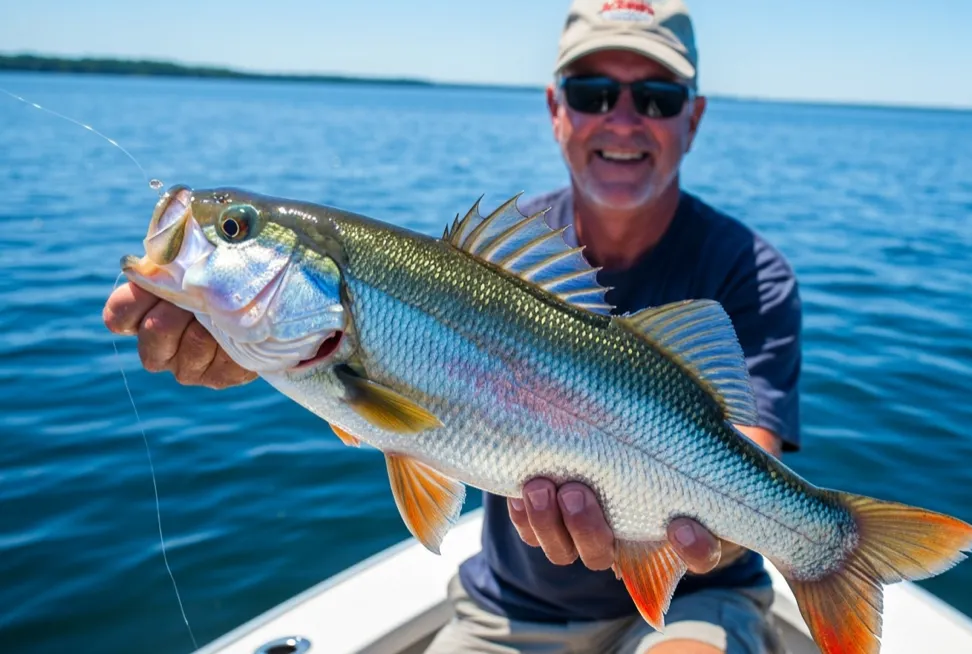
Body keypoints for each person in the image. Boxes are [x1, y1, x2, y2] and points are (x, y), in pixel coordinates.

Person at [102, 0, 802, 651]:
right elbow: (380, 414)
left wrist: (723, 535)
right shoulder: (510, 249)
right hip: (510, 608)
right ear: (556, 109)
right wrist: (241, 349)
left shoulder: (749, 270)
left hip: (696, 598)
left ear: (695, 117)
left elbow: (749, 455)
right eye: (592, 92)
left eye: (656, 97)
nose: (621, 118)